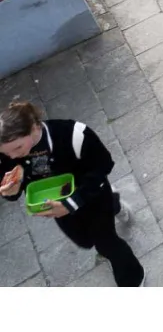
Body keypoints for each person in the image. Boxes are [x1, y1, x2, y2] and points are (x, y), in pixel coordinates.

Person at [1, 101, 145, 287]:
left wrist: (70, 204)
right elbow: (11, 188)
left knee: (107, 244)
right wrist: (10, 192)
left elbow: (104, 165)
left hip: (92, 196)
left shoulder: (74, 134)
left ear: (34, 126)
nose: (12, 157)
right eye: (6, 153)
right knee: (84, 241)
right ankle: (114, 202)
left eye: (18, 148)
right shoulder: (6, 152)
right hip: (56, 204)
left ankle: (134, 280)